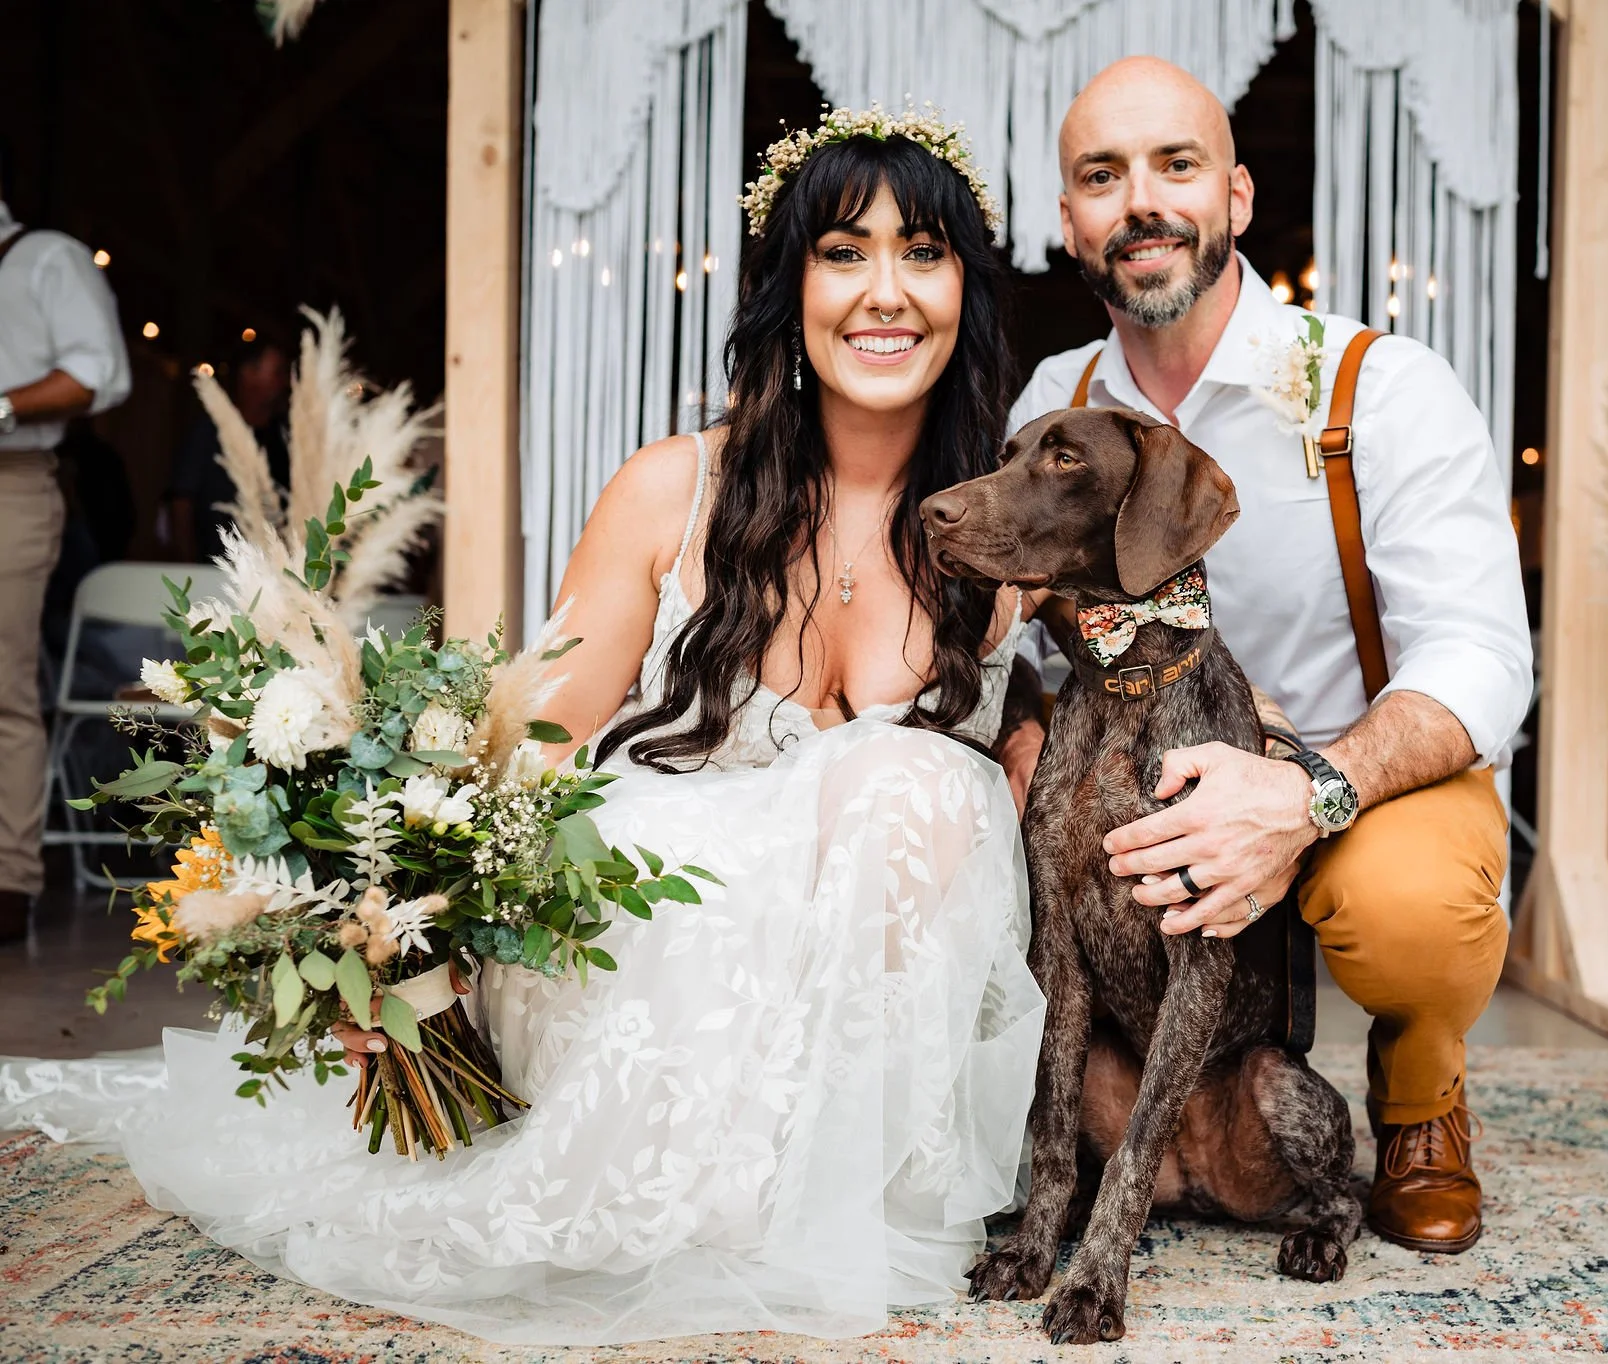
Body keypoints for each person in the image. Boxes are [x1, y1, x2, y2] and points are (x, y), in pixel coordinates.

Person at [1, 118, 1046, 1344]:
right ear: (787, 288)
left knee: (913, 784)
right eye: (841, 251)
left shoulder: (1023, 527)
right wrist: (400, 924)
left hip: (868, 996)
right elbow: (532, 743)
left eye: (921, 254)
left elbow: (1117, 706)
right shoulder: (675, 488)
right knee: (746, 841)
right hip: (658, 932)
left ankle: (826, 1185)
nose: (883, 293)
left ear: (965, 288)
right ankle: (682, 1182)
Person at [1003, 58, 1532, 1255]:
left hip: (1348, 783)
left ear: (1235, 198)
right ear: (1068, 222)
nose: (1139, 202)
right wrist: (1025, 726)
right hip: (1133, 804)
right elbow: (1012, 626)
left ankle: (1418, 1093)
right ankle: (1087, 1118)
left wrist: (1303, 790)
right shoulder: (1051, 402)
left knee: (1409, 909)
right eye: (1102, 176)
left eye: (1174, 165)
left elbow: (1483, 652)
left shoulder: (1377, 388)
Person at [0, 195, 132, 942]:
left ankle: (9, 879)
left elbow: (97, 372)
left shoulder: (44, 257)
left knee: (3, 680)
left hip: (10, 478)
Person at [166, 338, 291, 562]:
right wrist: (185, 563)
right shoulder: (210, 432)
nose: (285, 382)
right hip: (214, 570)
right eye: (278, 372)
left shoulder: (286, 437)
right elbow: (181, 501)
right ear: (248, 373)